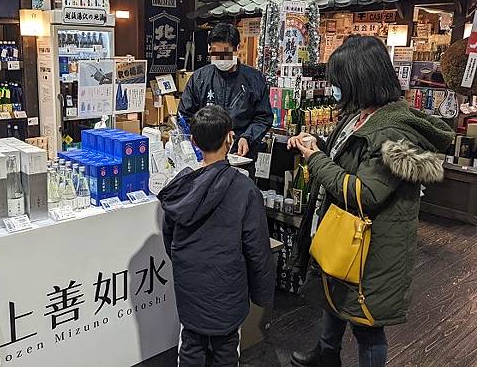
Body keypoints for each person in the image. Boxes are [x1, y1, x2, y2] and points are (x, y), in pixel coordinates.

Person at [287, 35, 454, 367]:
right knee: (333, 295)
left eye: (340, 82)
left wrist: (315, 158)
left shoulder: (393, 131)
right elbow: (348, 158)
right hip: (346, 234)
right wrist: (316, 143)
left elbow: (365, 193)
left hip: (372, 245)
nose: (335, 89)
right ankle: (326, 354)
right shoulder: (361, 114)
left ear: (360, 80)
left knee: (366, 323)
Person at [158, 105, 275, 367]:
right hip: (228, 289)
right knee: (226, 351)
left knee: (191, 346)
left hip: (191, 287)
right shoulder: (245, 189)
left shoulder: (182, 187)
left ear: (193, 141)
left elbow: (169, 238)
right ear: (230, 138)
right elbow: (257, 250)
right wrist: (263, 295)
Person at [178, 23, 273, 172]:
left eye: (226, 52)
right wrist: (202, 140)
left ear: (237, 49)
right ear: (209, 49)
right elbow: (184, 115)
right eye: (216, 52)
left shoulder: (254, 79)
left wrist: (248, 138)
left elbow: (263, 117)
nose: (221, 58)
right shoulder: (200, 78)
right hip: (206, 158)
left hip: (240, 157)